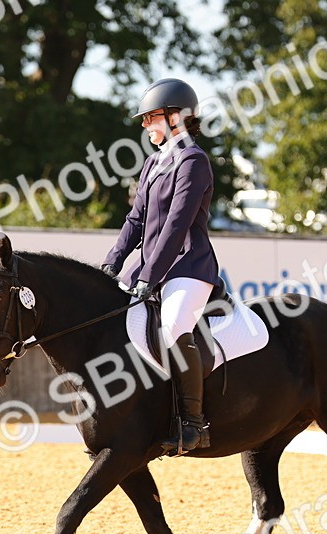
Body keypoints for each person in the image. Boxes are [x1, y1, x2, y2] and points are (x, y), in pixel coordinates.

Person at [101, 78, 219, 454]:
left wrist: (149, 276)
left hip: (188, 267)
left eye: (150, 117)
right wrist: (112, 264)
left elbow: (176, 224)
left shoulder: (193, 161)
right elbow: (135, 220)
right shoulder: (154, 162)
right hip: (150, 269)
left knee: (172, 326)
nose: (144, 126)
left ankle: (193, 425)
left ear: (175, 118)